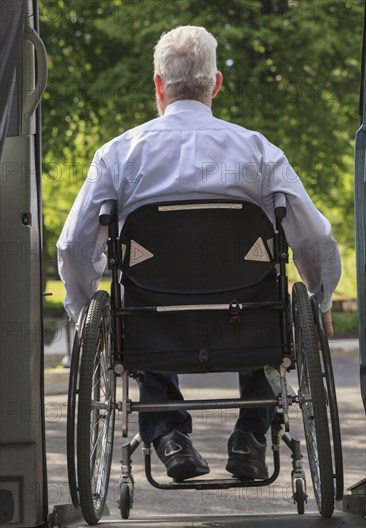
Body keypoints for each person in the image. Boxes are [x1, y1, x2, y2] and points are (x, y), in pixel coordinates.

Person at [57, 26, 341, 482]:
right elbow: (315, 240)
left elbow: (73, 246)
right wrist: (320, 296)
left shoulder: (119, 155)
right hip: (247, 323)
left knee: (142, 297)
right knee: (262, 284)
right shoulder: (258, 152)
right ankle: (250, 433)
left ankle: (169, 435)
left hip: (153, 327)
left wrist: (81, 309)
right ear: (216, 84)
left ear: (158, 84)